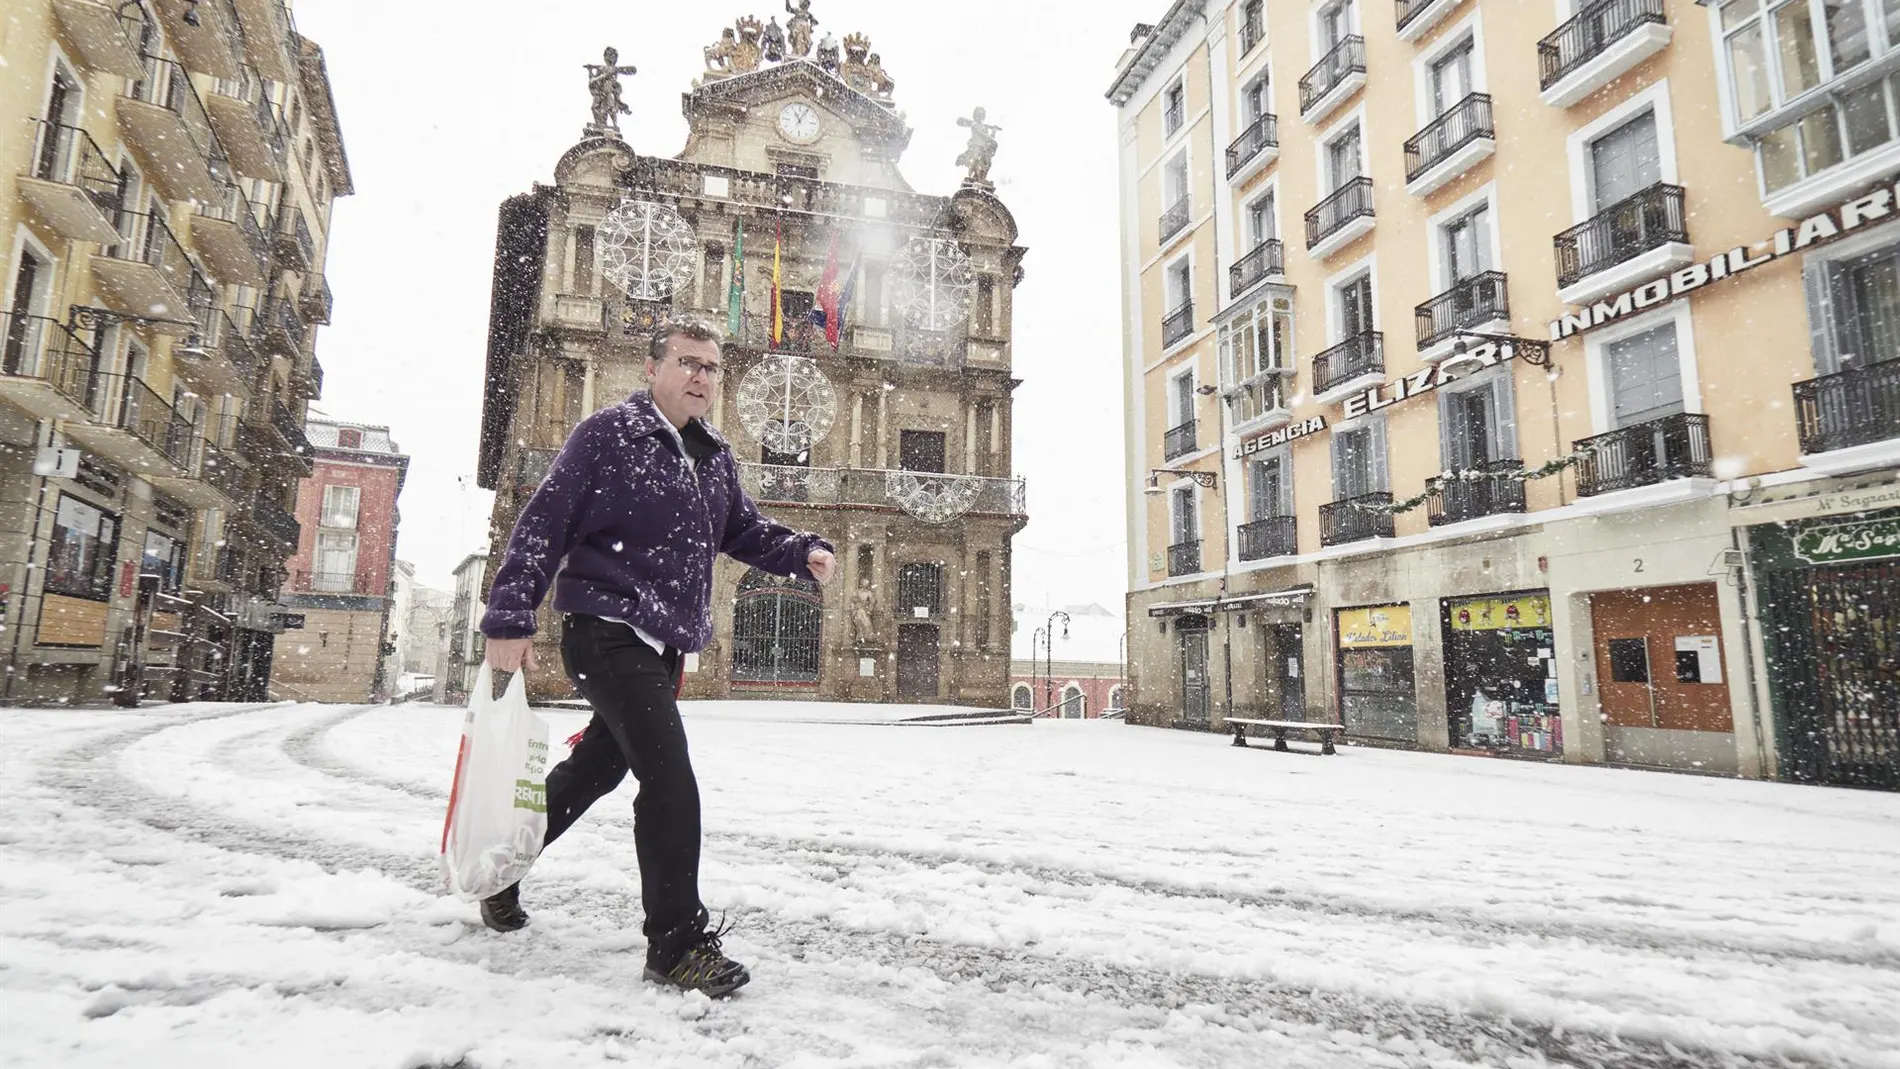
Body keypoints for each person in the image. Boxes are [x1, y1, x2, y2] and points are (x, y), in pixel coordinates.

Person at [477, 315, 836, 998]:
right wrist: (511, 611)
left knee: (596, 771)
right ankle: (676, 943)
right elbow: (545, 522)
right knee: (670, 776)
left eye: (710, 367)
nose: (700, 376)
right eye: (687, 362)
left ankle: (501, 866)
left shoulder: (713, 455)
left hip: (661, 644)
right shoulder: (608, 436)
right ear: (654, 369)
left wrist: (799, 552)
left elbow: (743, 529)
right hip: (606, 629)